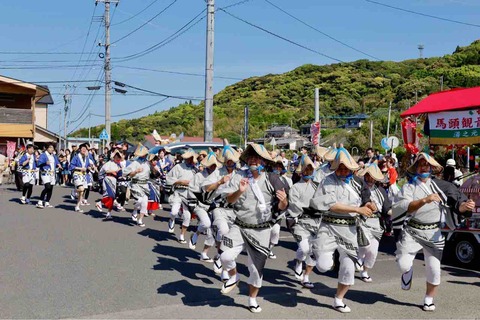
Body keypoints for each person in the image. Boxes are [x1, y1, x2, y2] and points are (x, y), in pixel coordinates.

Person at [392, 153, 475, 312]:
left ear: (431, 168)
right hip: (412, 231)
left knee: (435, 269)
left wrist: (464, 206)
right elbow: (405, 207)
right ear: (416, 168)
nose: (424, 166)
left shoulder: (443, 185)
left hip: (433, 232)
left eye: (427, 164)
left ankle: (428, 299)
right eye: (421, 164)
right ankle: (407, 272)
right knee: (403, 265)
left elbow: (457, 199)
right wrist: (425, 200)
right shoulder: (408, 187)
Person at [219, 143, 288, 313]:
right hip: (240, 225)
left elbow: (283, 206)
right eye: (250, 157)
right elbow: (229, 200)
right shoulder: (238, 176)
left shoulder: (272, 179)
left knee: (256, 270)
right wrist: (240, 191)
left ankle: (252, 299)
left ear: (263, 161)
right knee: (225, 256)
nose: (252, 160)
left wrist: (283, 200)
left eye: (256, 158)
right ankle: (234, 276)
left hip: (262, 229)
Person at [309, 147, 374, 313]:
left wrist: (369, 205)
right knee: (323, 266)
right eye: (340, 167)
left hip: (350, 229)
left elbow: (366, 199)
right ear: (335, 167)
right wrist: (357, 210)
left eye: (346, 168)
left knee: (348, 268)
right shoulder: (328, 180)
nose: (343, 171)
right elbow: (332, 205)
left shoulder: (359, 182)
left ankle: (338, 299)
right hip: (329, 226)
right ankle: (315, 251)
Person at [356, 163, 392, 282]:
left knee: (373, 251)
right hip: (362, 219)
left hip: (376, 222)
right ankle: (358, 259)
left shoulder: (381, 190)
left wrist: (399, 212)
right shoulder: (360, 187)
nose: (370, 179)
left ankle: (365, 271)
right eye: (368, 176)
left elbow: (387, 208)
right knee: (364, 244)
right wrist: (370, 206)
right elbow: (366, 202)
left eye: (373, 177)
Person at [210, 143, 241, 280]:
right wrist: (219, 183)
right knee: (222, 231)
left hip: (235, 211)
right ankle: (221, 260)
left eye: (233, 161)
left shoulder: (240, 174)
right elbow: (208, 188)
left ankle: (222, 264)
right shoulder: (217, 173)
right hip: (219, 207)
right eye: (228, 161)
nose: (230, 163)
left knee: (230, 240)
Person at [287, 155, 319, 289]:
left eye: (311, 171)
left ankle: (306, 277)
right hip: (300, 221)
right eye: (306, 170)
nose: (308, 173)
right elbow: (294, 204)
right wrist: (308, 209)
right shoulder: (295, 187)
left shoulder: (317, 186)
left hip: (316, 222)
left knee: (314, 250)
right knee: (305, 248)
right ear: (301, 171)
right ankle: (299, 262)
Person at [189, 150, 221, 262]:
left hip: (212, 205)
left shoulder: (218, 175)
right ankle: (196, 233)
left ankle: (204, 253)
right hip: (200, 204)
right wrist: (192, 203)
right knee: (206, 223)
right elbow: (192, 190)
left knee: (213, 230)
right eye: (211, 164)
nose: (213, 167)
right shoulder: (198, 175)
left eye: (214, 165)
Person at [166, 148, 198, 243]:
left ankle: (182, 235)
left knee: (187, 216)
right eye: (189, 158)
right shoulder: (178, 167)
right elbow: (169, 177)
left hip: (189, 195)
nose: (190, 160)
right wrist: (180, 181)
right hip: (178, 192)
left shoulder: (195, 170)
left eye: (192, 159)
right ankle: (171, 219)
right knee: (174, 212)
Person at [123, 144, 152, 227]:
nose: (144, 155)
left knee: (145, 203)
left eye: (145, 154)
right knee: (139, 200)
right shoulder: (135, 162)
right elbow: (126, 173)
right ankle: (135, 210)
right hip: (136, 184)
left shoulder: (147, 163)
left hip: (145, 184)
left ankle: (140, 220)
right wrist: (136, 171)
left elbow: (153, 173)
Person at [69, 143, 94, 212]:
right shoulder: (76, 157)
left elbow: (88, 166)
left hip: (84, 175)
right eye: (82, 149)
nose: (84, 150)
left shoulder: (87, 158)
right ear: (80, 150)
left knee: (82, 192)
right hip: (77, 174)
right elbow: (71, 166)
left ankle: (77, 206)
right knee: (81, 188)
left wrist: (90, 167)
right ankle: (74, 191)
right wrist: (80, 168)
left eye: (85, 149)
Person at [36, 143, 61, 208]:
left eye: (52, 148)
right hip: (45, 173)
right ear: (47, 148)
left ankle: (47, 202)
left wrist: (59, 165)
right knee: (48, 187)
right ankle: (40, 201)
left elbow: (57, 161)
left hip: (52, 173)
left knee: (51, 188)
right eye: (50, 147)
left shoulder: (53, 155)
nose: (52, 149)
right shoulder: (43, 155)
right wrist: (45, 163)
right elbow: (38, 164)